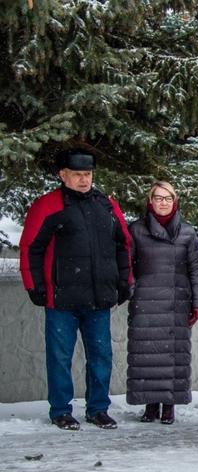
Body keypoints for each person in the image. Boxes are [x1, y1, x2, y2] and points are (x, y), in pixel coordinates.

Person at [19, 149, 132, 430]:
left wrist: (124, 282)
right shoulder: (48, 206)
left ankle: (98, 408)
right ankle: (60, 410)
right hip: (61, 300)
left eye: (88, 174)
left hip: (98, 298)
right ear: (63, 175)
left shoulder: (106, 205)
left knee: (101, 355)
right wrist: (34, 286)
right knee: (59, 357)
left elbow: (123, 245)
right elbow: (30, 248)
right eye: (78, 175)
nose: (84, 180)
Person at [126, 181, 198, 424]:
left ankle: (170, 406)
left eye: (167, 198)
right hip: (146, 302)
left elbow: (195, 268)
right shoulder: (136, 230)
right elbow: (127, 266)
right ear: (150, 201)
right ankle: (150, 406)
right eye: (158, 198)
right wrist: (129, 292)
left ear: (175, 201)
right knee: (147, 356)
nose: (163, 203)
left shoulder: (187, 232)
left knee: (174, 355)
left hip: (176, 302)